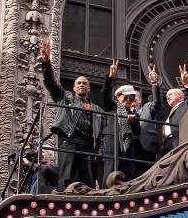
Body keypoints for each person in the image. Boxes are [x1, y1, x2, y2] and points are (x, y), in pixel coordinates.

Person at [40, 40, 104, 191]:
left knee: (88, 179)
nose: (82, 85)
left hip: (88, 146)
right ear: (74, 87)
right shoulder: (66, 97)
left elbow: (100, 133)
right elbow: (51, 84)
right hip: (70, 140)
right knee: (66, 177)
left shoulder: (97, 109)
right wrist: (46, 62)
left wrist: (99, 149)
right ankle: (62, 202)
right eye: (79, 83)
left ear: (89, 88)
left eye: (84, 83)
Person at [100, 59, 140, 185]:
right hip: (113, 141)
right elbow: (104, 95)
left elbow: (138, 131)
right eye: (126, 97)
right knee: (111, 167)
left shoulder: (133, 113)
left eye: (131, 97)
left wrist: (133, 121)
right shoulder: (113, 106)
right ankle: (106, 191)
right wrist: (110, 77)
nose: (129, 99)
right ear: (118, 97)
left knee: (129, 170)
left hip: (127, 146)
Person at [159, 64, 188, 157]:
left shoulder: (187, 104)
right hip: (166, 145)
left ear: (180, 96)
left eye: (171, 94)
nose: (167, 97)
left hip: (179, 140)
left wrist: (187, 84)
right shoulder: (170, 113)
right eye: (167, 96)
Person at [135, 65, 163, 175]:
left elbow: (158, 104)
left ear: (139, 99)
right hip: (131, 148)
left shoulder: (147, 107)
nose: (132, 99)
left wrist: (154, 83)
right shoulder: (123, 111)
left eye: (135, 97)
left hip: (147, 146)